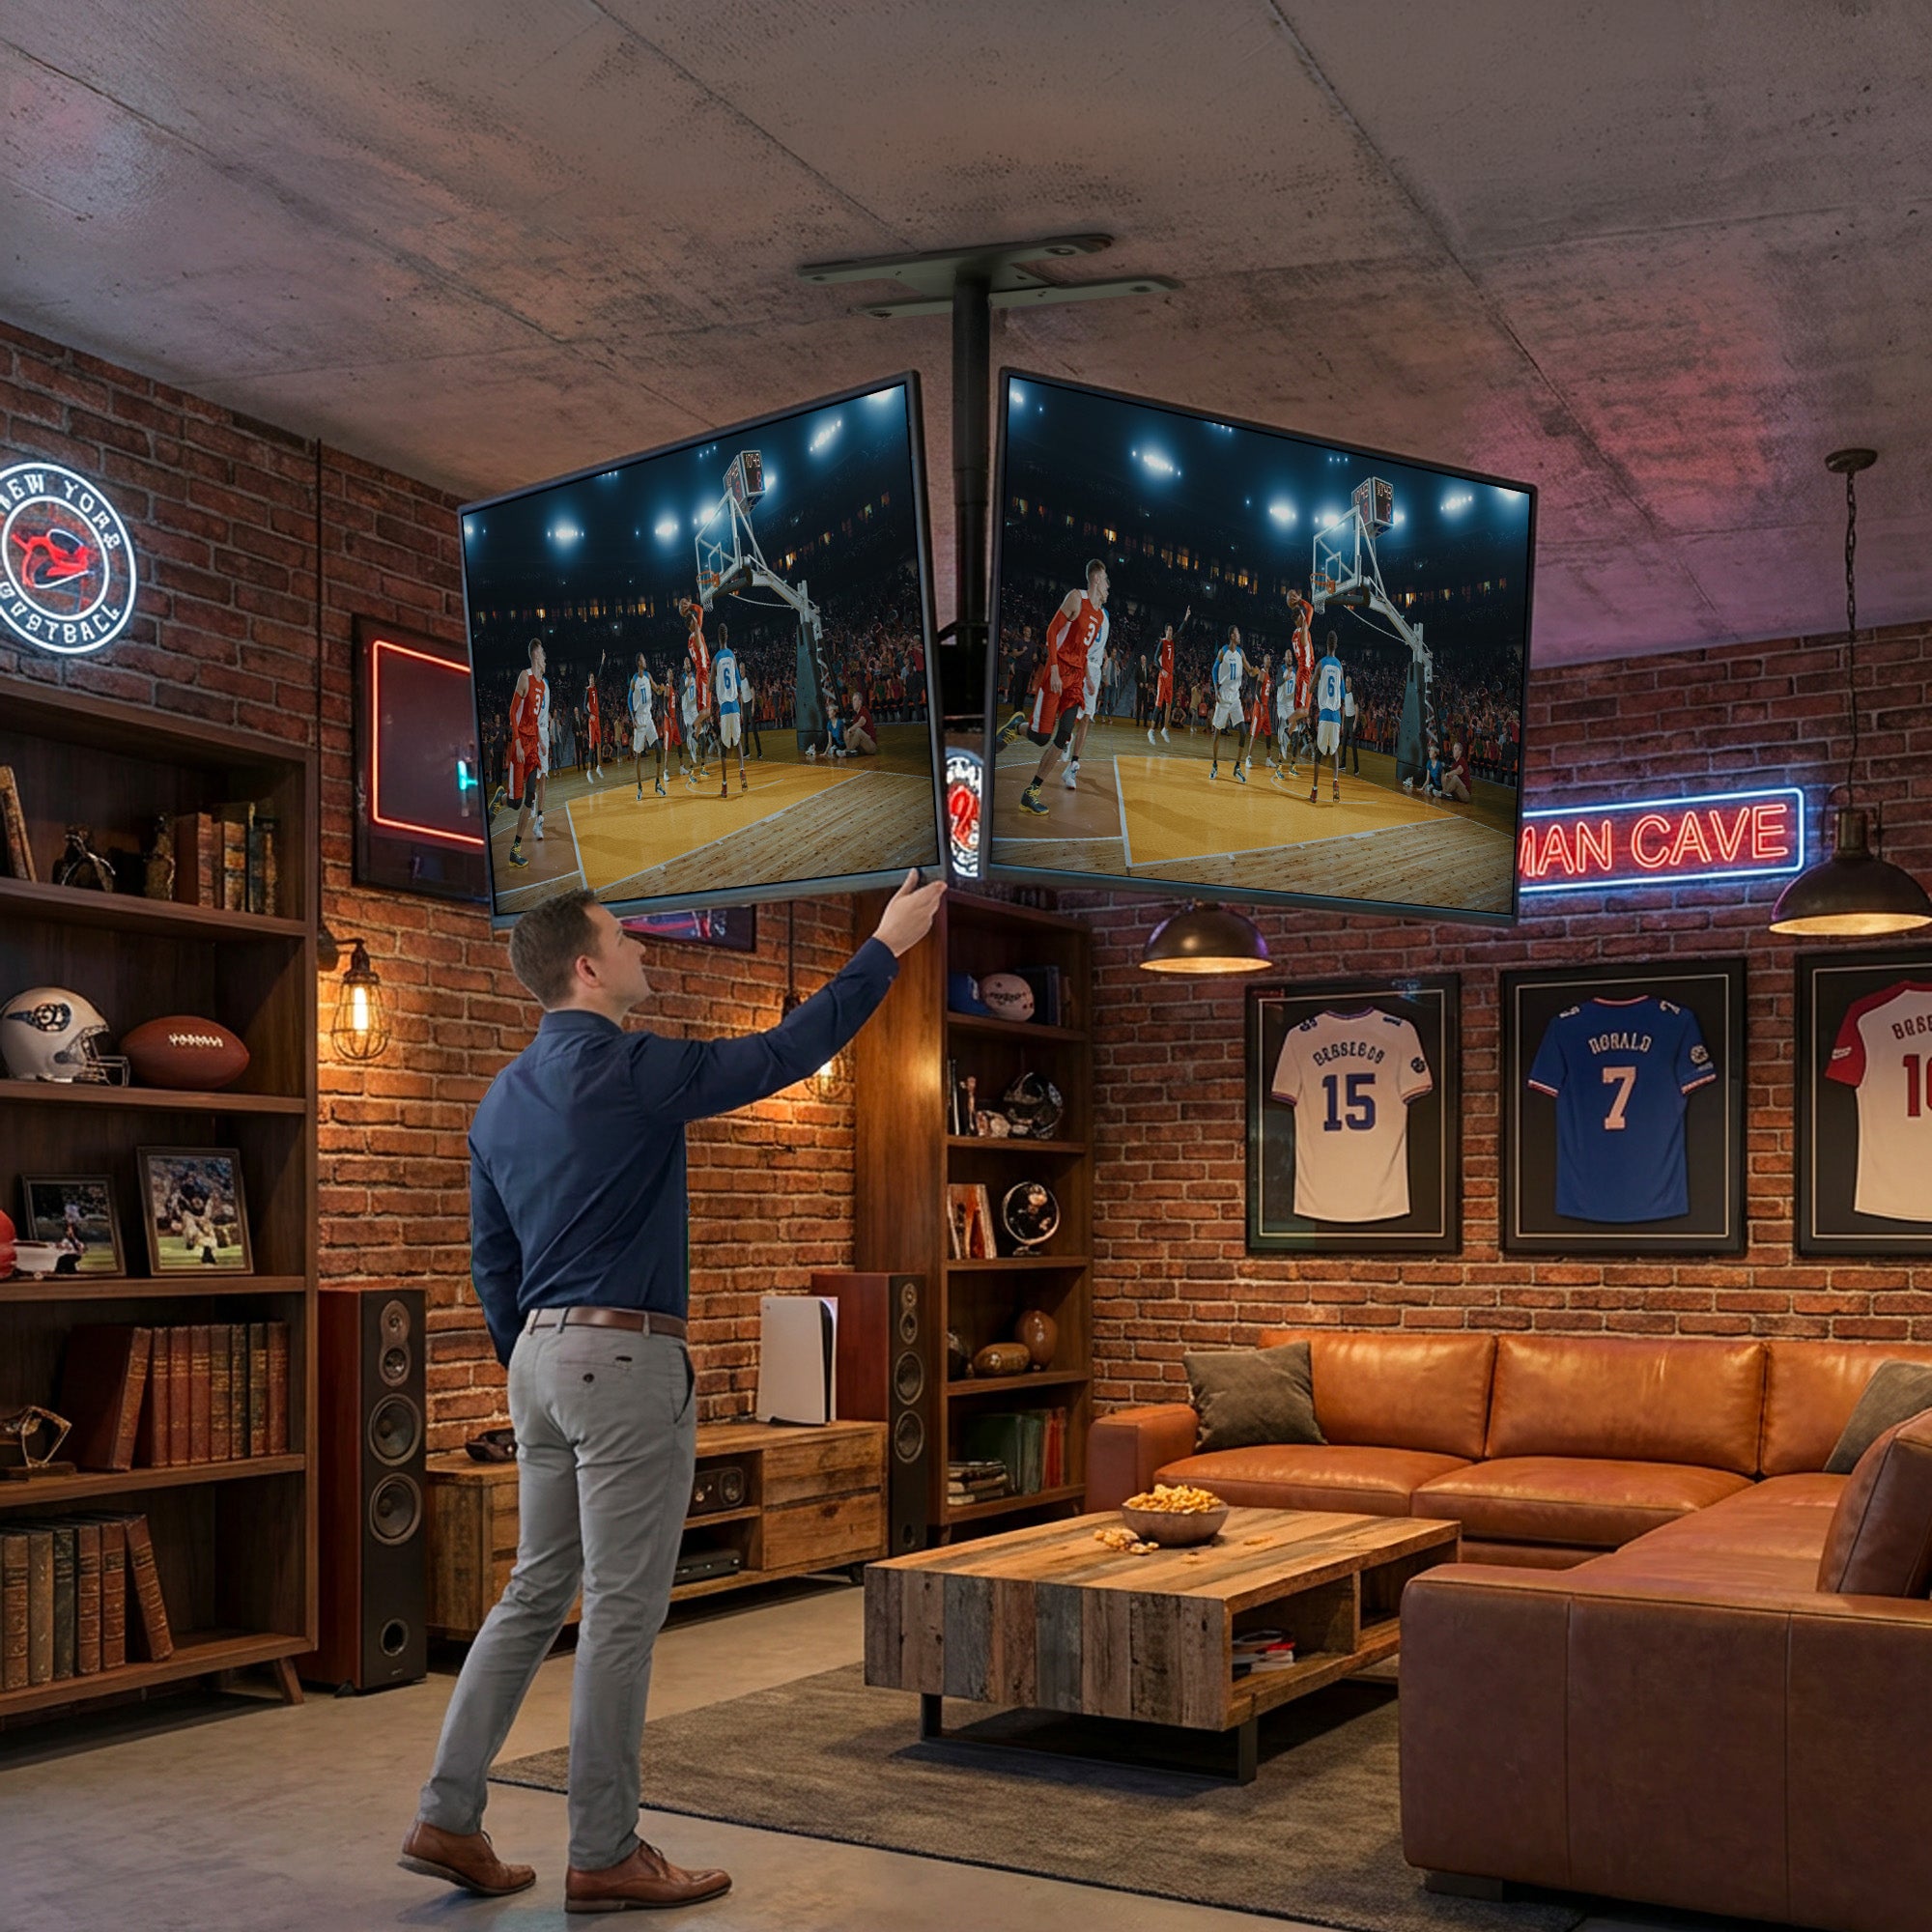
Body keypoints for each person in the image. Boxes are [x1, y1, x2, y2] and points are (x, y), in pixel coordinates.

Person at [400, 870, 946, 1913]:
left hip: (538, 1365)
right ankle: (603, 1848)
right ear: (587, 966)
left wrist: (539, 1358)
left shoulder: (500, 1096)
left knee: (530, 1593)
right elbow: (785, 1051)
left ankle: (448, 1812)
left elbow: (491, 1261)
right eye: (627, 938)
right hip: (622, 1358)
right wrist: (884, 944)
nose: (646, 950)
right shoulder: (631, 1066)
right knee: (615, 1609)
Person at [1012, 557, 1108, 817]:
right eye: (1106, 579)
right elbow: (1052, 632)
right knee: (1041, 737)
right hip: (1057, 673)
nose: (1109, 586)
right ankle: (1016, 728)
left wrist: (1087, 677)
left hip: (1075, 680)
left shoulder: (1099, 616)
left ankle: (1030, 793)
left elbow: (1084, 652)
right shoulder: (1076, 598)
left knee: (1064, 735)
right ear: (1097, 579)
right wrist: (1053, 668)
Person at [505, 639, 546, 868]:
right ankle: (502, 799)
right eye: (543, 653)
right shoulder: (525, 677)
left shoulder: (542, 684)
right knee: (515, 802)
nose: (545, 657)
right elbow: (513, 712)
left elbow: (537, 721)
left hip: (532, 746)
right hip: (520, 743)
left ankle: (515, 849)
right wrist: (518, 742)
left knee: (529, 798)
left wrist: (539, 742)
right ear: (535, 655)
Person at [1208, 624, 1252, 782]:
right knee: (1217, 731)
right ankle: (1214, 765)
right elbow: (1214, 669)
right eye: (1237, 634)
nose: (1239, 636)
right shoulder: (1223, 651)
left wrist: (1258, 671)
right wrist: (1215, 688)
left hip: (1235, 697)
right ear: (1232, 636)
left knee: (1243, 732)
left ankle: (1237, 767)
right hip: (1224, 695)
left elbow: (1249, 669)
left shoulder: (1241, 653)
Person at [1309, 635, 1346, 804]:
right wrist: (1343, 722)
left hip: (1324, 714)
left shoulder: (1321, 664)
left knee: (1319, 752)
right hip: (1336, 715)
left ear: (1326, 645)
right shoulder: (1339, 666)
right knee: (1335, 750)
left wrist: (1312, 678)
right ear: (1336, 646)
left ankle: (1315, 790)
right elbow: (1343, 696)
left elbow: (1310, 688)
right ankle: (1336, 781)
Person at [713, 627, 748, 796]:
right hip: (734, 704)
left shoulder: (716, 659)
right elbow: (739, 683)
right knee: (738, 740)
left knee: (724, 746)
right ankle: (742, 769)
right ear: (727, 637)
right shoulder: (732, 656)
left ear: (718, 639)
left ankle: (725, 784)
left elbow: (711, 683)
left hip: (725, 708)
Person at [628, 653, 665, 801]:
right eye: (643, 658)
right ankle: (639, 787)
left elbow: (656, 690)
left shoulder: (648, 676)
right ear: (639, 662)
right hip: (639, 719)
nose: (645, 660)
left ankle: (657, 782)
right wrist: (632, 719)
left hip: (648, 717)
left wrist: (661, 689)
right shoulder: (634, 679)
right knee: (638, 756)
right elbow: (629, 700)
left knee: (658, 748)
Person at [1147, 607, 1185, 744]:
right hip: (1162, 677)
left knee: (1169, 704)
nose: (1170, 632)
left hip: (1170, 677)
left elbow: (1181, 631)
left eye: (1171, 630)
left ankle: (1164, 729)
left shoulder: (1173, 642)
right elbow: (1155, 658)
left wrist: (1185, 618)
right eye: (1168, 630)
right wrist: (1161, 669)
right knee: (1159, 704)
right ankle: (1151, 730)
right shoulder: (1162, 643)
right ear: (1165, 631)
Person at [1342, 671, 1360, 774]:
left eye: (1348, 681)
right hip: (1347, 719)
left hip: (1352, 719)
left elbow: (1357, 709)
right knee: (1343, 743)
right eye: (1346, 681)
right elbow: (1344, 709)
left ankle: (1356, 768)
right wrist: (1343, 722)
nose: (1347, 683)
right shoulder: (1345, 694)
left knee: (1353, 745)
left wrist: (1355, 723)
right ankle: (1343, 764)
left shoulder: (1354, 694)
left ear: (1351, 683)